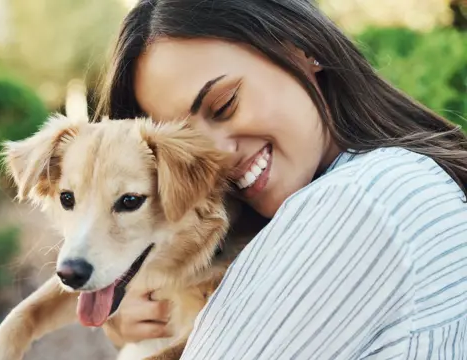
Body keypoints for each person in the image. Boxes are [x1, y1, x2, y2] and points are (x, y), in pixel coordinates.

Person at [97, 0, 467, 359]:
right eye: (185, 152)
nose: (216, 160)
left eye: (225, 105)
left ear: (304, 48)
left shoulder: (359, 201)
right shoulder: (406, 177)